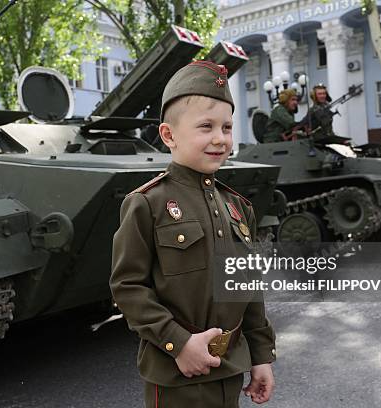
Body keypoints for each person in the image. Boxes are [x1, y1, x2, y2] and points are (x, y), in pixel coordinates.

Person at [110, 60, 276, 408]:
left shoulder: (238, 207)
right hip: (176, 374)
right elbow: (127, 287)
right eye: (206, 126)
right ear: (169, 135)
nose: (219, 138)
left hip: (229, 369)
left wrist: (261, 355)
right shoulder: (147, 204)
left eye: (227, 127)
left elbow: (248, 286)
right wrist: (179, 343)